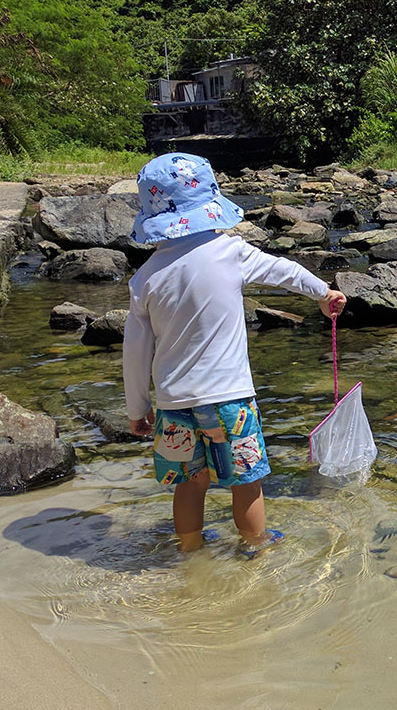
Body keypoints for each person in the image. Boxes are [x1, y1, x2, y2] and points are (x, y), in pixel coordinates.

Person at [123, 152, 346, 553]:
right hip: (230, 401)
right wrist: (322, 292)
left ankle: (190, 548)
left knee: (190, 485)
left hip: (174, 407)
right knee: (246, 482)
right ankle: (256, 546)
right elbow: (285, 271)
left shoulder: (146, 277)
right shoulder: (230, 251)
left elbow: (136, 353)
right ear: (209, 204)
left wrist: (137, 409)